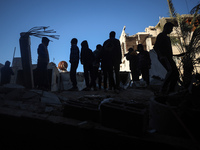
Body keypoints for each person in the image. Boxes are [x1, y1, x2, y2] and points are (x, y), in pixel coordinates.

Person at [154, 22, 179, 94]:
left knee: (175, 73)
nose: (171, 30)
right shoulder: (161, 36)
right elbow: (156, 47)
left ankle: (171, 90)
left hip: (169, 58)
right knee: (171, 72)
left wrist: (178, 55)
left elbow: (169, 51)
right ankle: (163, 89)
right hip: (165, 58)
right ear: (166, 28)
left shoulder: (167, 38)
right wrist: (161, 56)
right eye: (170, 28)